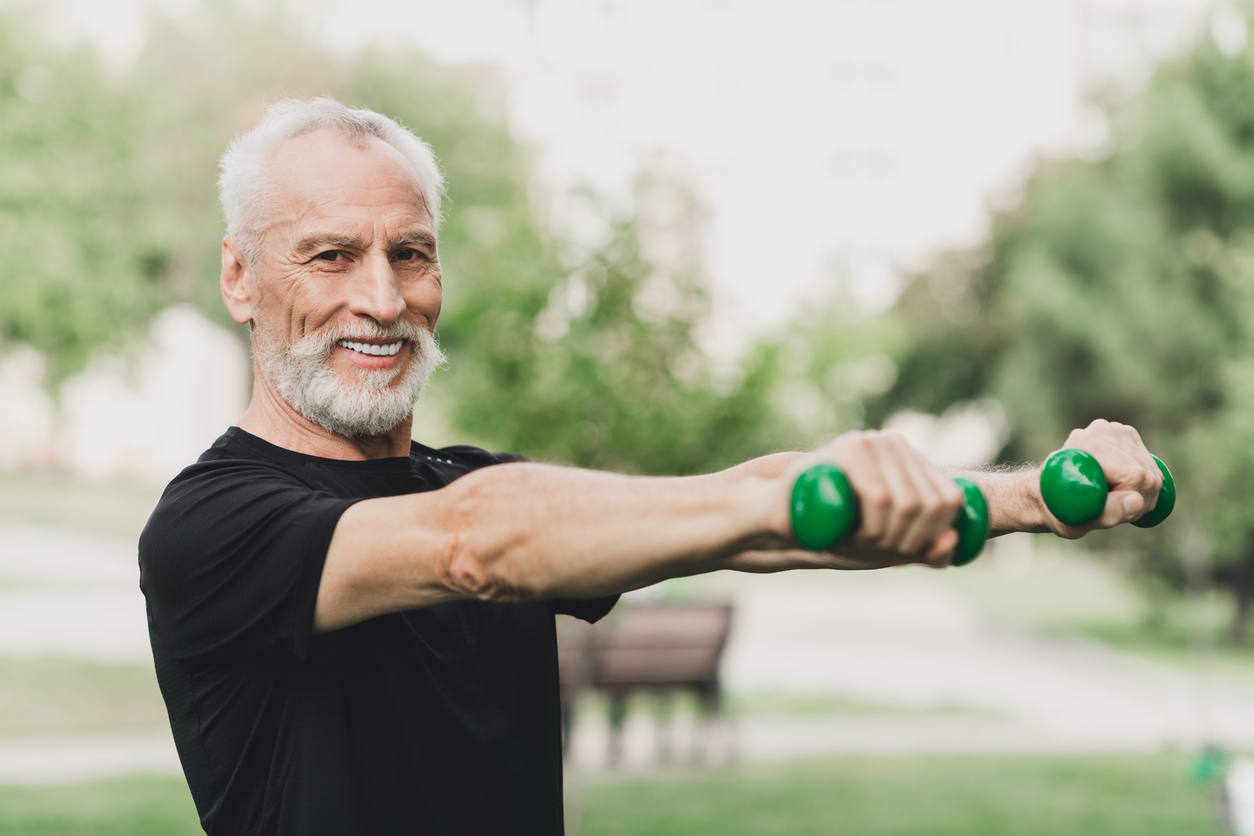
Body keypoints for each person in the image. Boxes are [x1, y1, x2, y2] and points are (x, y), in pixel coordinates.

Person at [138, 97, 1165, 836]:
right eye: (330, 255)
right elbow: (474, 544)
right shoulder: (213, 524)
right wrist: (773, 492)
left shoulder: (468, 480)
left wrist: (1029, 494)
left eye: (410, 253)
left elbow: (756, 519)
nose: (382, 295)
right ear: (240, 275)